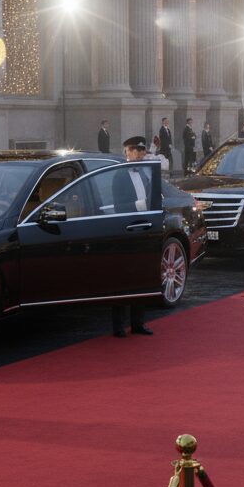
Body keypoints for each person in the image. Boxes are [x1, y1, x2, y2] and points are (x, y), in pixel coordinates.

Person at [111, 136, 155, 338]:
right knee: (123, 278)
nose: (142, 154)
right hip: (126, 229)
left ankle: (138, 322)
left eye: (143, 150)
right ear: (127, 151)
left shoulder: (145, 173)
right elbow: (119, 205)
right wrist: (139, 205)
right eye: (138, 150)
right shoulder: (119, 175)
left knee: (142, 277)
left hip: (144, 228)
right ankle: (119, 325)